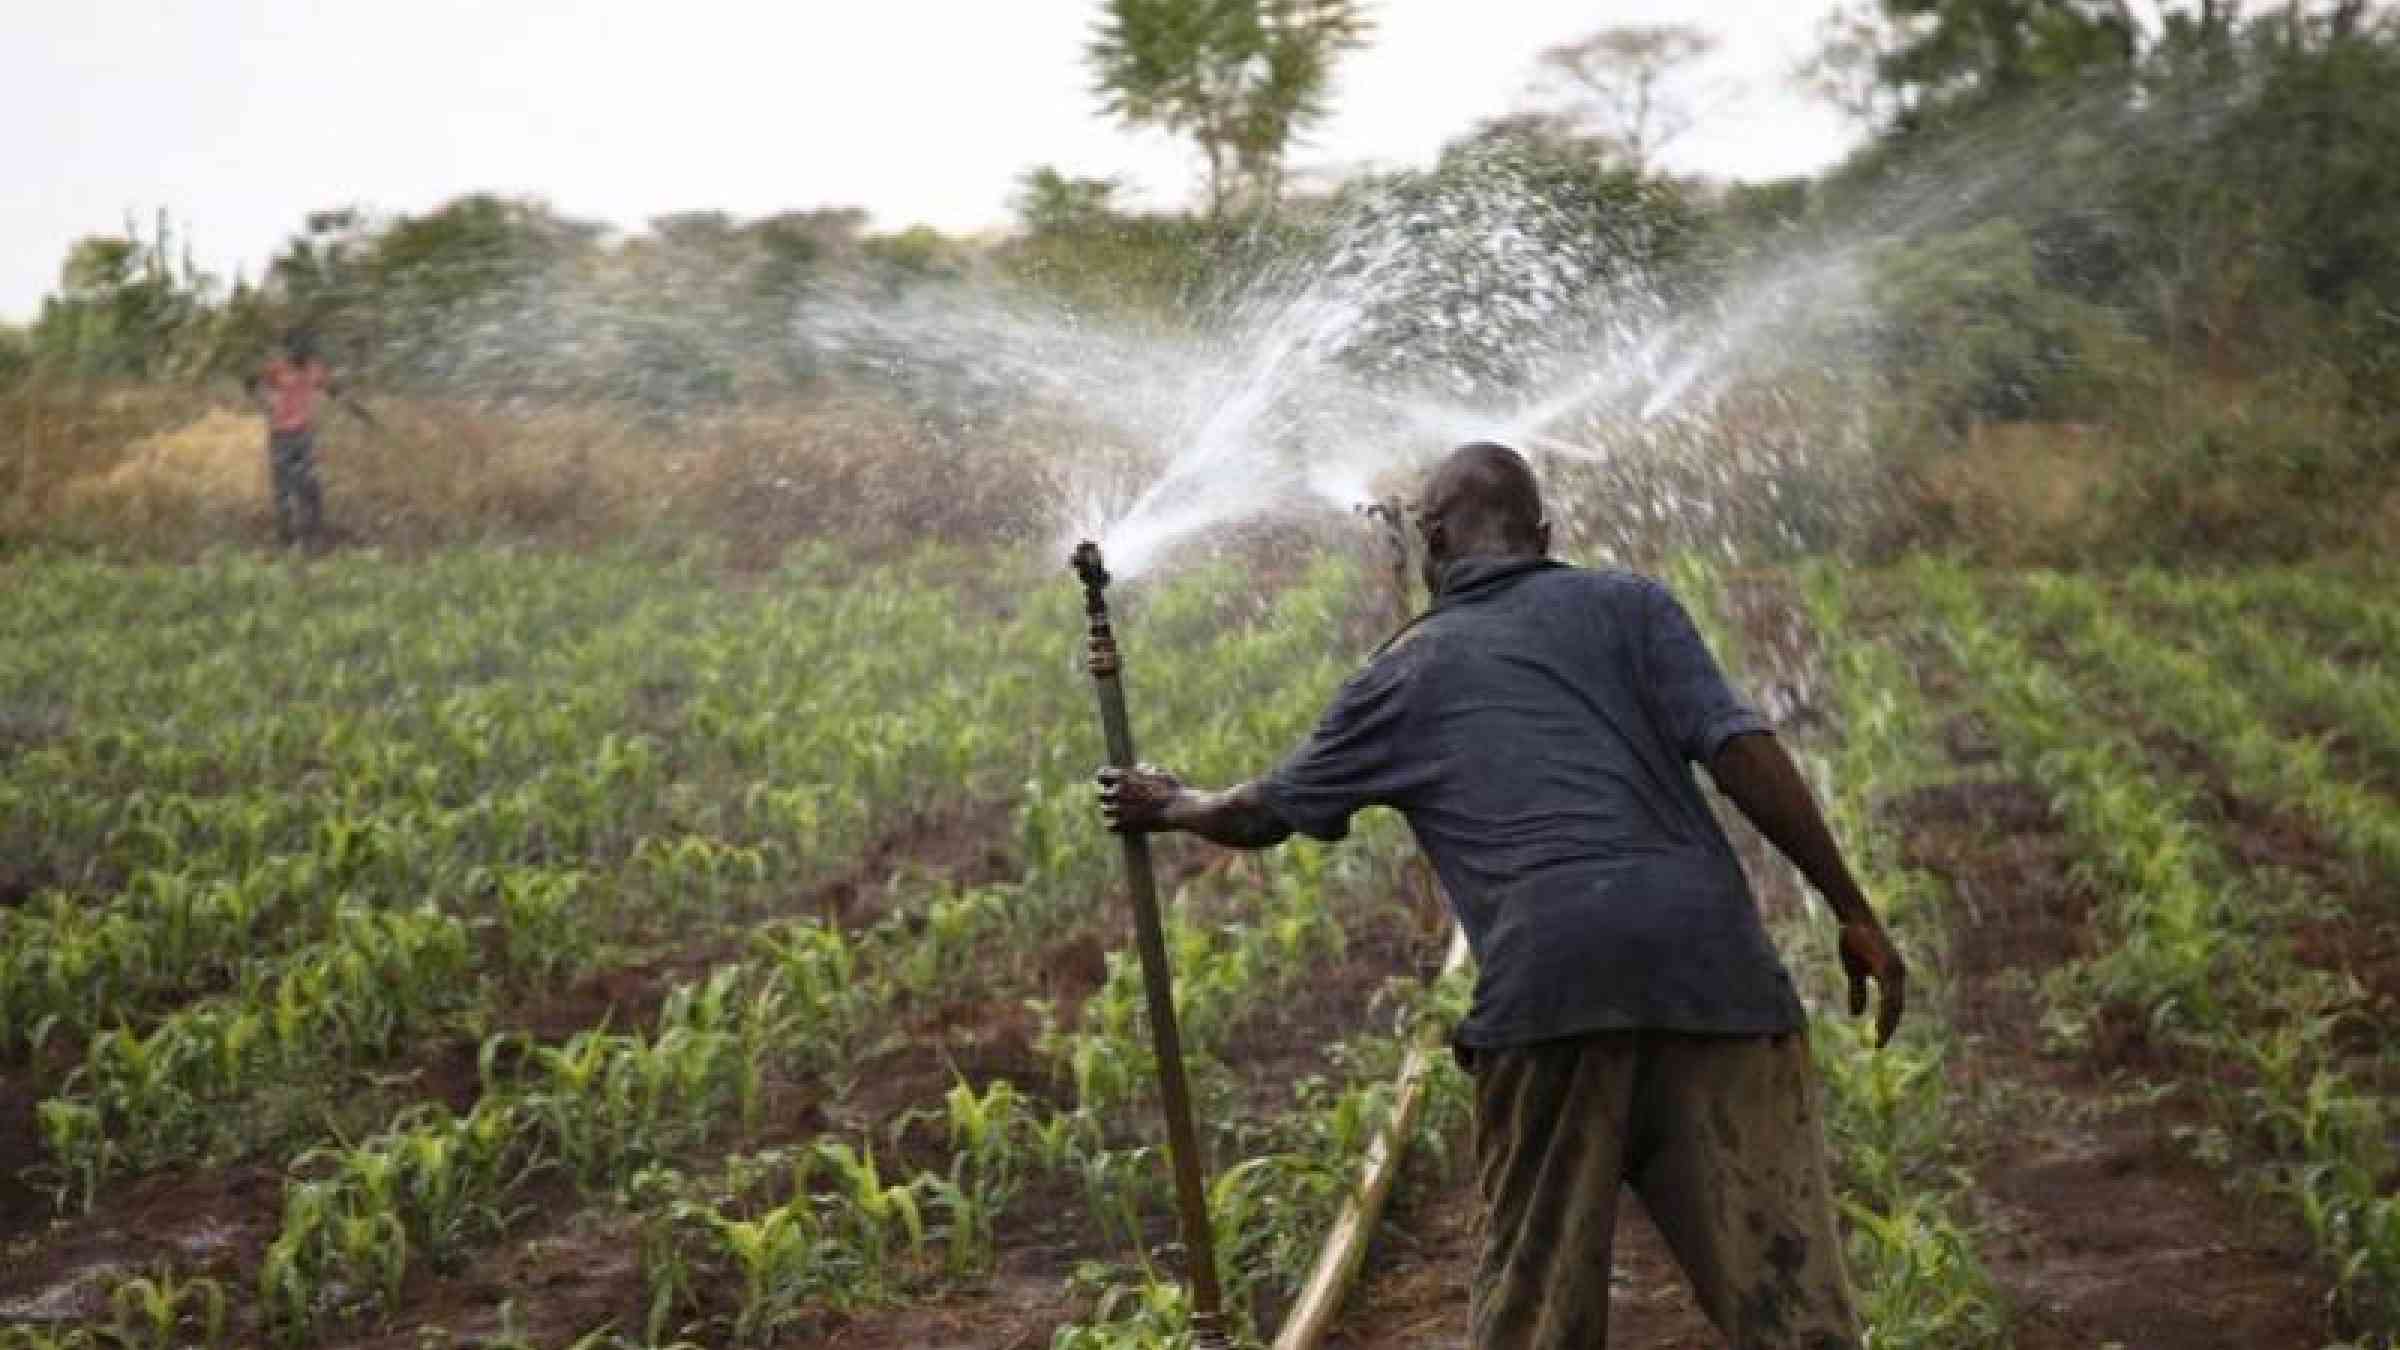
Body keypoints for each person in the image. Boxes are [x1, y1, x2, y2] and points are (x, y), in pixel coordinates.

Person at [1096, 442, 1905, 1350]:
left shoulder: (1404, 670)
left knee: (1535, 1316)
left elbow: (1262, 812)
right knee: (1794, 1310)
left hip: (1550, 992)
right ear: (1546, 535)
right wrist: (1851, 907)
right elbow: (1741, 749)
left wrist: (1171, 803)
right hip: (1718, 974)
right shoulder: (1632, 605)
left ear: (1432, 540)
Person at [246, 329, 339, 549]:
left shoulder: (314, 368)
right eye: (298, 349)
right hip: (281, 435)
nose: (303, 353)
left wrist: (357, 409)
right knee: (284, 487)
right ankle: (286, 537)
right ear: (290, 350)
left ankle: (313, 535)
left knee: (310, 485)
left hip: (304, 435)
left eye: (306, 349)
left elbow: (333, 389)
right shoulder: (277, 368)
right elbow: (251, 383)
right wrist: (264, 404)